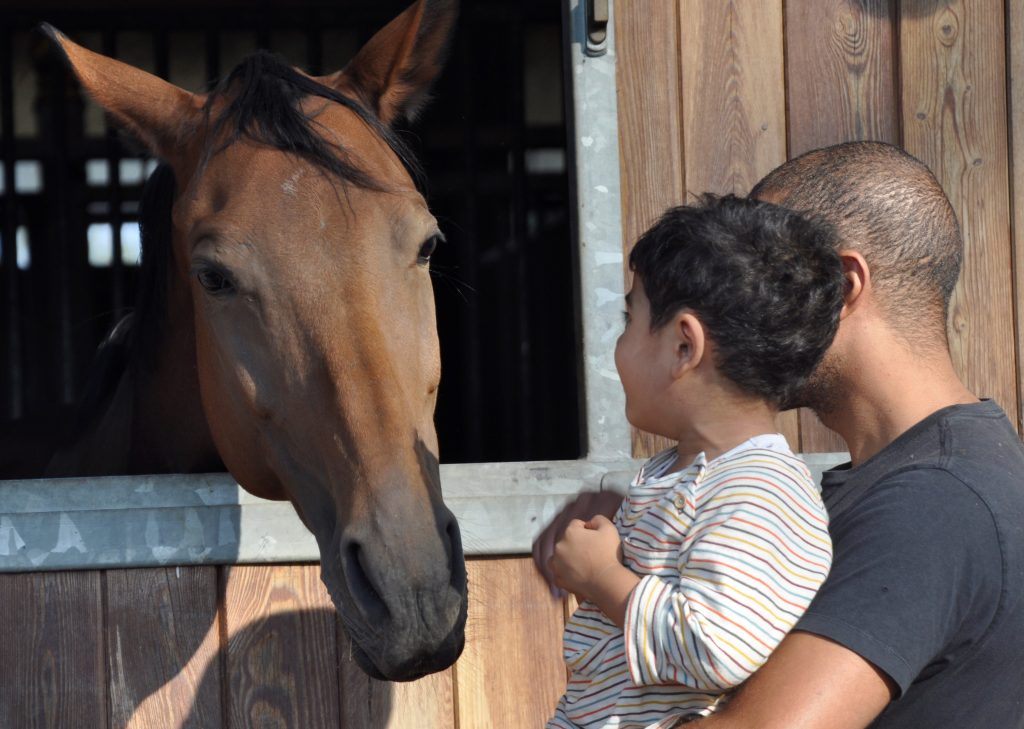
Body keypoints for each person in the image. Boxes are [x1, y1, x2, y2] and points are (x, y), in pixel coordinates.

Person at [535, 141, 1024, 729]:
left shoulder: (933, 504)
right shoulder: (890, 485)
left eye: (771, 272)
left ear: (842, 288)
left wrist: (611, 583)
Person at [545, 193, 845, 728]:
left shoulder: (763, 494)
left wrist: (603, 579)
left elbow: (716, 646)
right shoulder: (675, 473)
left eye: (629, 318)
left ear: (684, 346)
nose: (617, 345)